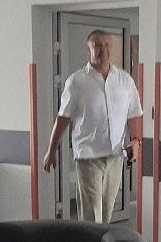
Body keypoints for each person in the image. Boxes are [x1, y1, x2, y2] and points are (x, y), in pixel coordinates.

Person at [43, 30, 143, 223]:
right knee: (91, 214)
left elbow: (134, 114)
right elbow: (63, 118)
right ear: (88, 49)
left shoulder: (124, 80)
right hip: (88, 156)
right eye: (97, 45)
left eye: (107, 45)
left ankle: (100, 241)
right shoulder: (76, 81)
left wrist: (136, 141)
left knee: (106, 211)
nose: (103, 50)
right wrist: (51, 150)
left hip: (115, 155)